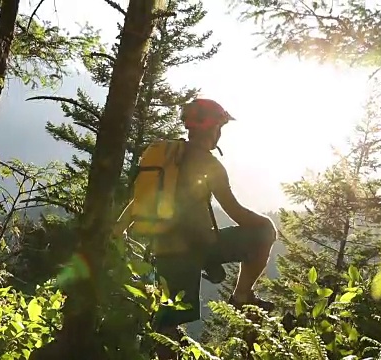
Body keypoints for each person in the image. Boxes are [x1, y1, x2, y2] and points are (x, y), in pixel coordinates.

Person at [114, 98, 276, 348]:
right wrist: (265, 223)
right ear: (213, 129)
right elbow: (235, 212)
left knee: (168, 323)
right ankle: (242, 295)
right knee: (265, 232)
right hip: (198, 246)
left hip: (165, 249)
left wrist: (116, 231)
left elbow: (139, 201)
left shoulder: (166, 157)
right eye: (219, 128)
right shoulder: (209, 164)